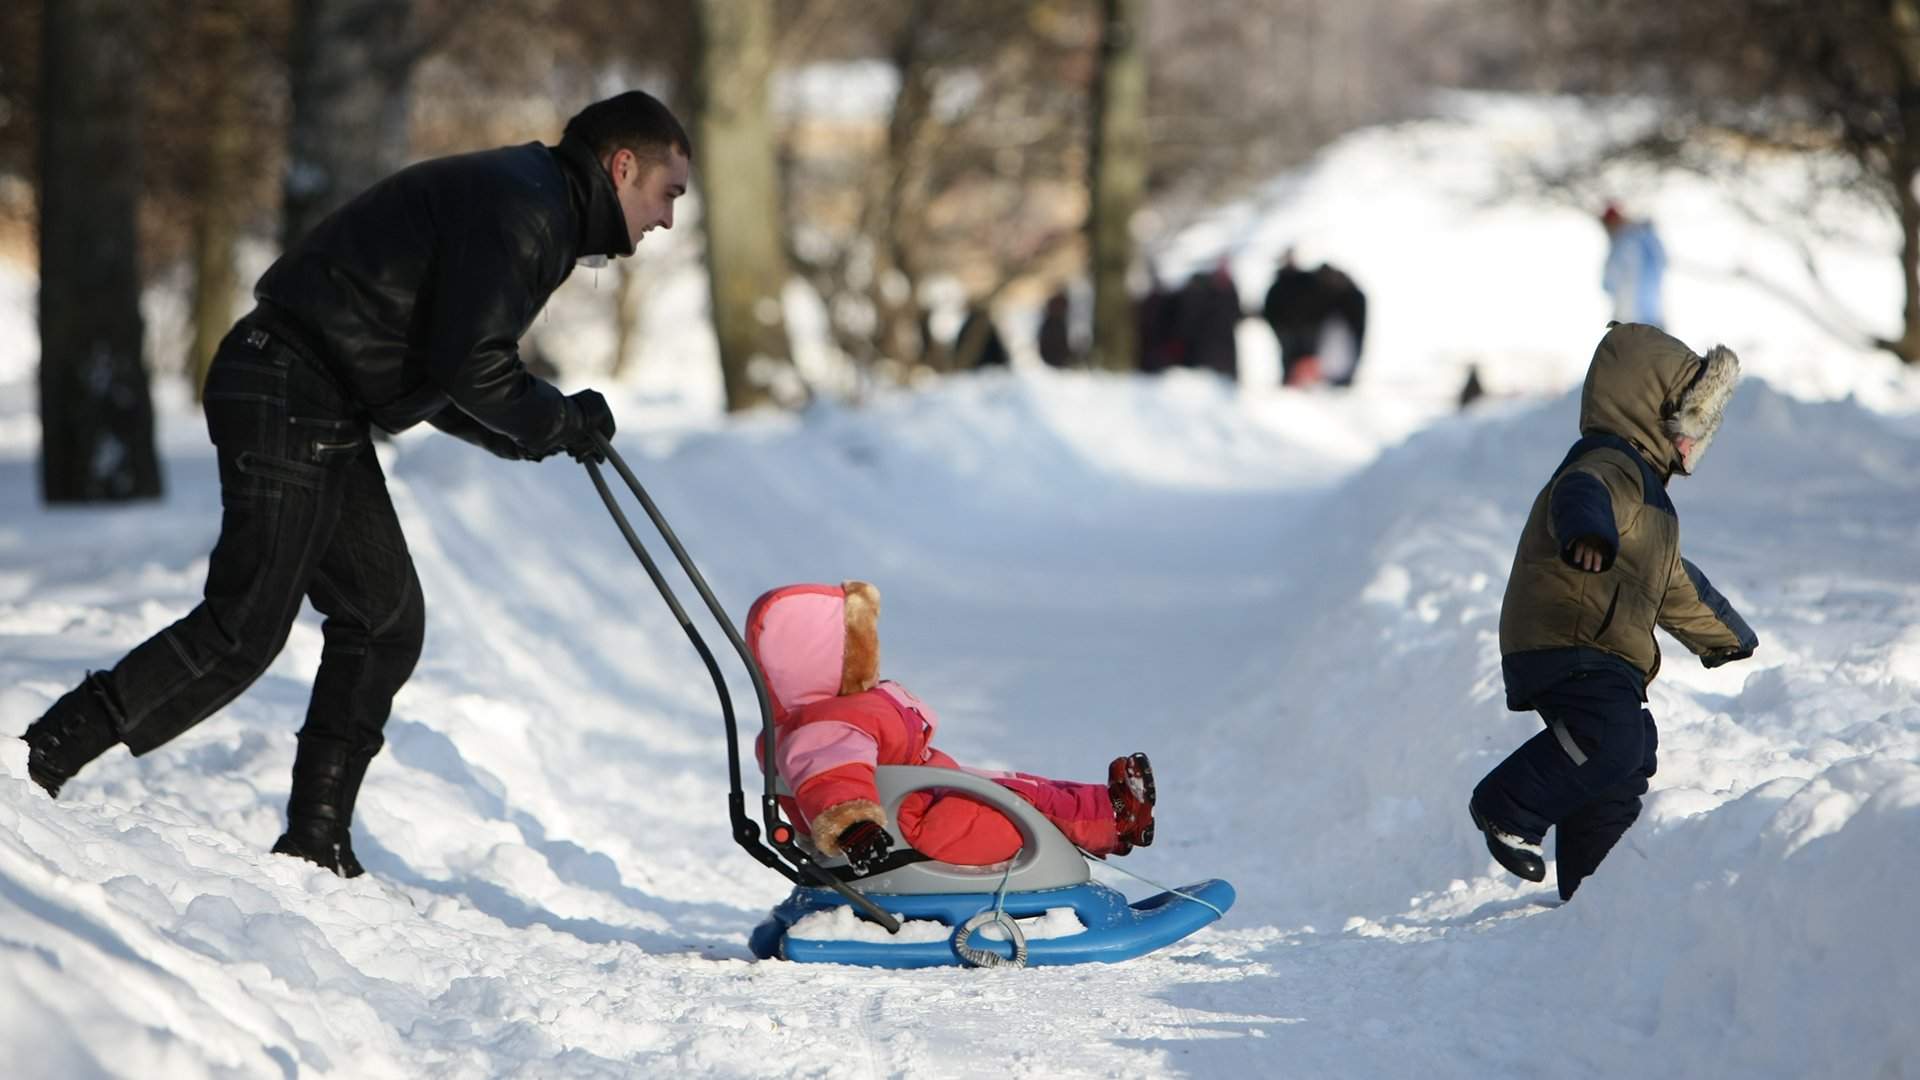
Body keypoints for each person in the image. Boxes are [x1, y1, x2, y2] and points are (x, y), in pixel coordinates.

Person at [18, 91, 694, 879]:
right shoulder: (530, 209)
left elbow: (444, 358)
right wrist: (552, 420)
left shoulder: (533, 196)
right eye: (667, 193)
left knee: (383, 619)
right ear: (622, 166)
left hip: (315, 396)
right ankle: (39, 756)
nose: (668, 218)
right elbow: (471, 364)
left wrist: (530, 434)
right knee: (244, 625)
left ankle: (315, 842)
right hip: (287, 384)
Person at [1468, 322, 1757, 901]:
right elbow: (1580, 495)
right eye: (1689, 423)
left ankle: (1593, 885)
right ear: (1653, 410)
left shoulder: (1653, 503)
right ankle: (1508, 805)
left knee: (1629, 756)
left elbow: (1672, 581)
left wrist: (1724, 635)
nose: (1692, 443)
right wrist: (1589, 533)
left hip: (1604, 650)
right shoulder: (1607, 464)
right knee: (1610, 738)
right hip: (1568, 635)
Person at [745, 582, 1157, 870]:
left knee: (1014, 784)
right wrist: (856, 829)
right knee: (1016, 805)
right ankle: (1112, 820)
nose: (870, 657)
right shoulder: (824, 726)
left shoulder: (831, 713)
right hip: (912, 829)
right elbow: (832, 776)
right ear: (822, 661)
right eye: (858, 648)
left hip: (920, 798)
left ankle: (1110, 806)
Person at [1600, 203, 1668, 328]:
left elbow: (1609, 281)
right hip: (1654, 316)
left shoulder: (1623, 244)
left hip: (1630, 318)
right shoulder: (1647, 239)